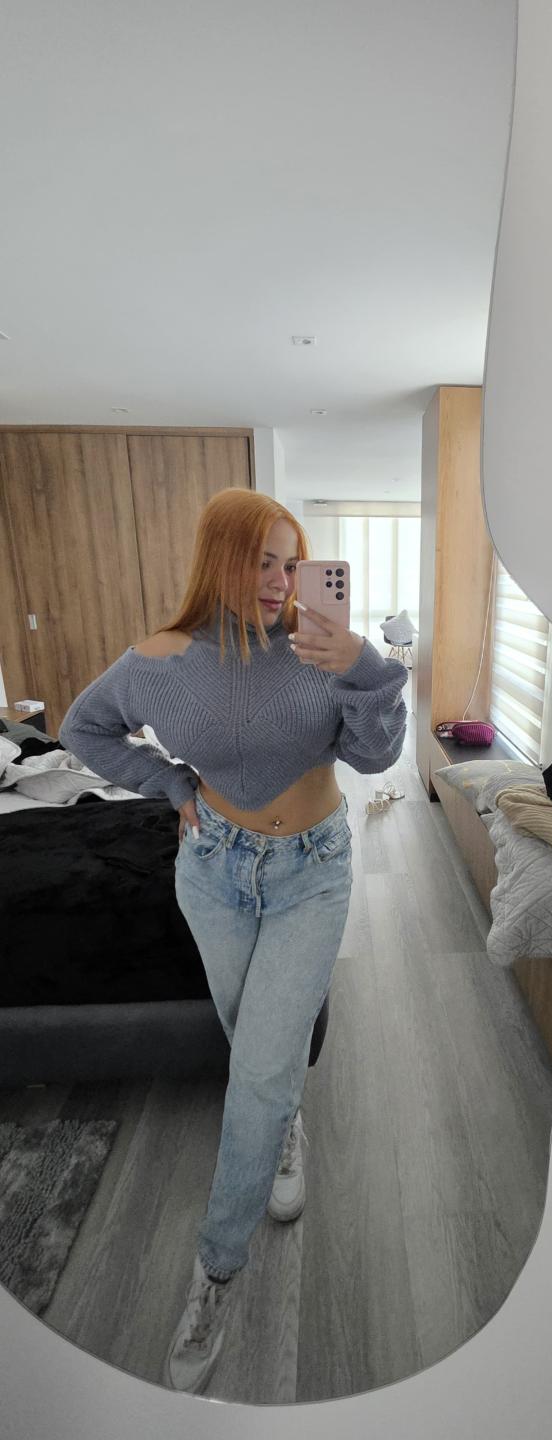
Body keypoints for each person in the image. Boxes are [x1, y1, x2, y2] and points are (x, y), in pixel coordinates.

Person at [58, 488, 408, 1395]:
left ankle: (214, 1274)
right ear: (217, 556)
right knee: (250, 1040)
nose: (280, 580)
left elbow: (374, 759)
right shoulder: (158, 660)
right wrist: (171, 784)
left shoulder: (322, 650)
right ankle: (285, 1125)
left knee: (256, 1068)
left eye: (291, 562)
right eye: (261, 560)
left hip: (313, 870)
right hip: (212, 870)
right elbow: (81, 728)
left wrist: (367, 668)